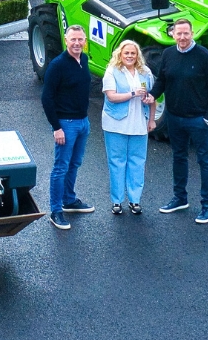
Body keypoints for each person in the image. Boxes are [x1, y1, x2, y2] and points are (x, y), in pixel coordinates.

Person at [150, 17, 208, 224]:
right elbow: (162, 80)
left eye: (186, 33)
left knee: (205, 162)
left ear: (192, 34)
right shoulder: (168, 54)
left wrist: (207, 119)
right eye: (178, 33)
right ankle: (180, 198)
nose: (182, 37)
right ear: (172, 34)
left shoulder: (204, 57)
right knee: (178, 157)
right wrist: (152, 95)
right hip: (175, 118)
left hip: (198, 120)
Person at [41, 24, 95, 229]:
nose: (77, 43)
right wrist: (56, 127)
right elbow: (47, 98)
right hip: (66, 124)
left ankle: (69, 200)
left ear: (84, 41)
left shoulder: (84, 60)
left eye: (80, 39)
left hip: (83, 122)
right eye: (73, 39)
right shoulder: (57, 65)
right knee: (60, 168)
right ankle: (56, 211)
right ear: (66, 40)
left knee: (74, 164)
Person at [102, 40, 156, 215]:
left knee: (137, 162)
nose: (130, 56)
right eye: (127, 53)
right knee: (117, 162)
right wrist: (133, 94)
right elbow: (111, 97)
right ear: (120, 54)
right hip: (115, 123)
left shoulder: (145, 72)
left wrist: (152, 119)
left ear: (137, 55)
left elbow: (153, 97)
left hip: (139, 122)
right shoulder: (112, 71)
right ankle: (117, 201)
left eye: (133, 53)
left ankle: (135, 200)